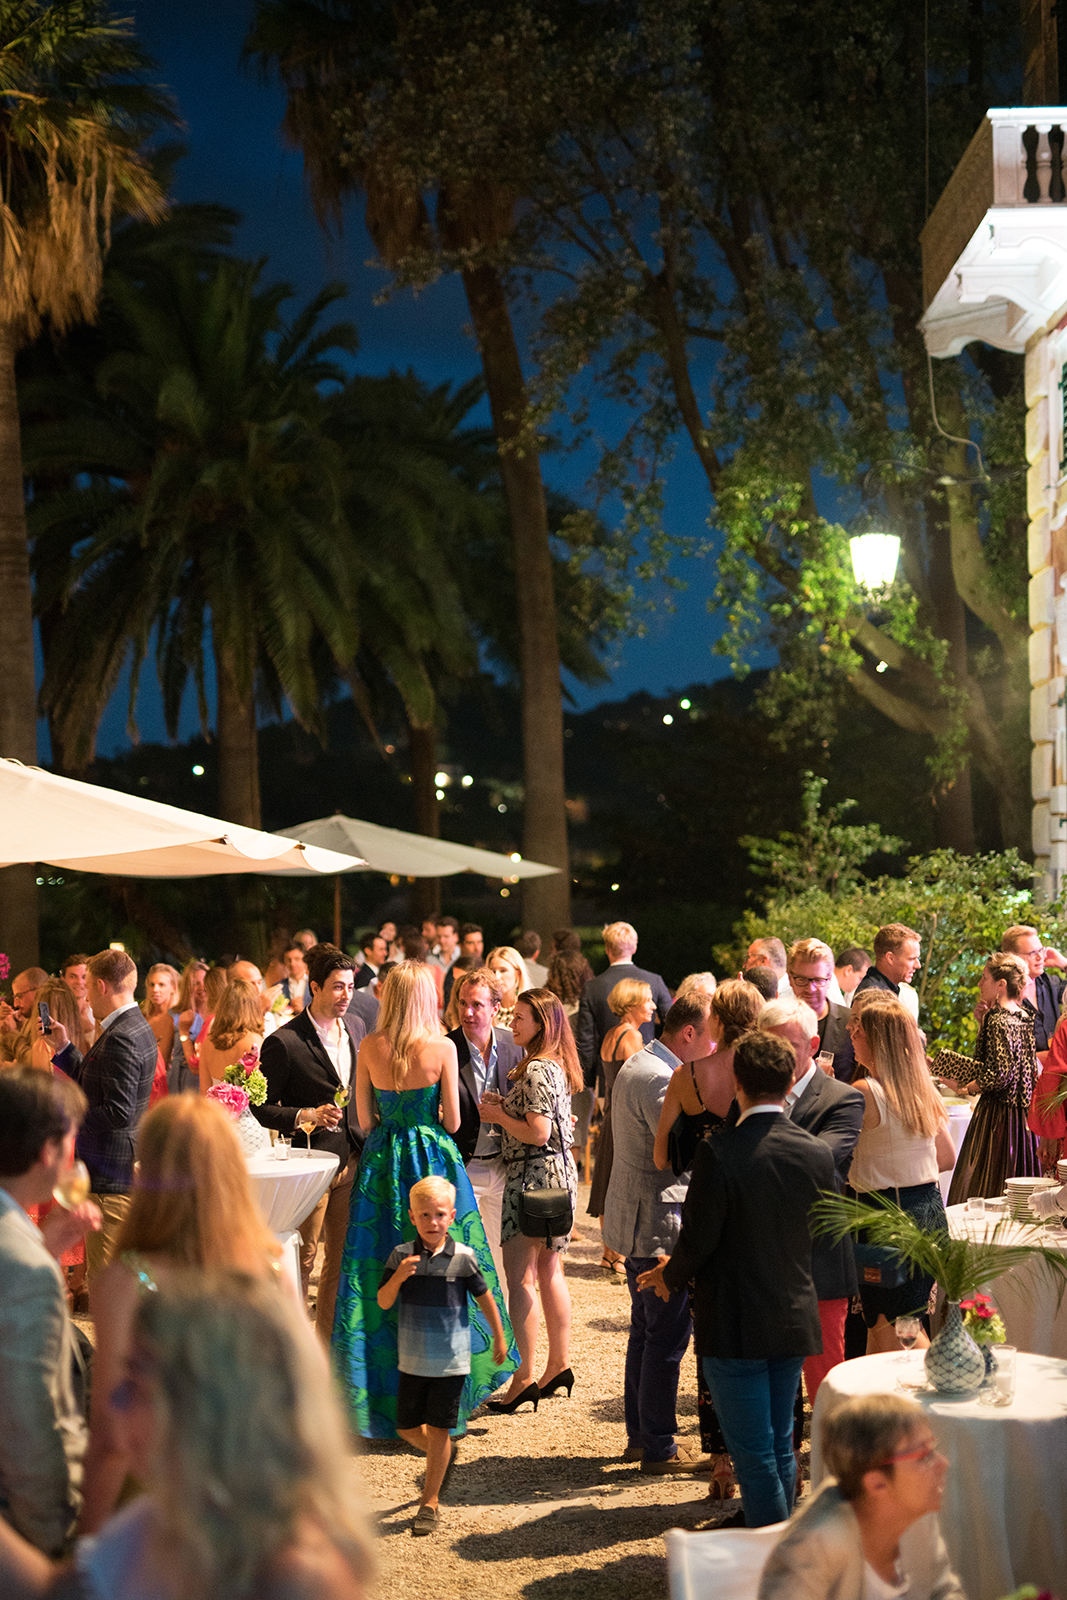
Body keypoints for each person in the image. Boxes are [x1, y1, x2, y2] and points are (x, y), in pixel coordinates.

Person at [0, 1274, 374, 1600]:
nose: (113, 1404)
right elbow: (52, 1592)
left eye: (135, 1382)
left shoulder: (298, 1580)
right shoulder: (166, 1518)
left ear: (205, 1405)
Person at [641, 1031, 835, 1527]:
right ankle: (778, 1541)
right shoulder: (816, 1152)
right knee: (780, 1443)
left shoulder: (720, 1151)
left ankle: (771, 1559)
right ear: (791, 1080)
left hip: (735, 1320)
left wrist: (672, 1274)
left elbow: (700, 1237)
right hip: (792, 1316)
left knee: (756, 1455)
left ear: (737, 1082)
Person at [79, 1095, 284, 1532]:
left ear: (147, 1170)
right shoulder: (271, 1265)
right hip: (249, 1486)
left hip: (158, 1494)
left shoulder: (127, 1279)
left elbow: (113, 1431)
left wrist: (88, 1544)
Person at [332, 962, 515, 1438]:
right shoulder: (441, 1047)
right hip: (432, 1158)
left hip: (382, 1165)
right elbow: (454, 1121)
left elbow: (365, 1120)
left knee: (378, 1265)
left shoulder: (369, 1046)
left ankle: (379, 1397)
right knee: (449, 1265)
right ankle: (446, 1390)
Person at [604, 992, 715, 1475]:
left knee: (646, 1332)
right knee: (665, 1337)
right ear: (688, 1034)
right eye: (711, 1036)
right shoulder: (659, 1076)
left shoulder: (644, 1060)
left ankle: (641, 1436)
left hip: (639, 1215)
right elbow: (672, 1153)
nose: (715, 1047)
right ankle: (659, 1446)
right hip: (656, 1223)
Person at [0, 1069, 99, 1557]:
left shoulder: (19, 1246)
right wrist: (53, 1548)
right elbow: (31, 1426)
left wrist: (46, 1245)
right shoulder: (26, 1271)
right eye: (70, 1141)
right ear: (48, 1152)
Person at [378, 1177, 508, 1537]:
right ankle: (443, 1455)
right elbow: (383, 1301)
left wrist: (498, 1336)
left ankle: (429, 1501)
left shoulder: (464, 1258)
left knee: (438, 1430)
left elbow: (485, 1298)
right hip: (413, 1361)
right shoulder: (401, 1256)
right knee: (406, 1428)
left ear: (451, 1216)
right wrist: (398, 1279)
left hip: (451, 1362)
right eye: (424, 1215)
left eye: (439, 1215)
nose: (432, 1222)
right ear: (412, 1217)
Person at [254, 945, 366, 1339]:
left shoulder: (355, 1030)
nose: (346, 995)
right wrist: (306, 1115)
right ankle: (293, 1346)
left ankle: (327, 1351)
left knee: (339, 1261)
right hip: (306, 1166)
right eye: (337, 987)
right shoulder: (284, 1042)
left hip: (351, 1161)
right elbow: (260, 1106)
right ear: (314, 987)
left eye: (350, 987)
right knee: (301, 1260)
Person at [478, 988, 582, 1414]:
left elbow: (537, 1132)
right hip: (559, 1175)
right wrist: (508, 1106)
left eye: (520, 1017)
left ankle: (523, 1379)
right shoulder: (555, 1063)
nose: (512, 1023)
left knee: (520, 1278)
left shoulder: (537, 1068)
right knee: (549, 1270)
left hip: (533, 1177)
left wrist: (500, 1116)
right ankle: (557, 1364)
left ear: (542, 1023)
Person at [757, 996, 864, 1402]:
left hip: (818, 1259)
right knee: (772, 1384)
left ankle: (830, 1465)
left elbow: (821, 1164)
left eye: (786, 1046)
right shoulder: (746, 1093)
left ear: (814, 1044)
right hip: (763, 1259)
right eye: (766, 1046)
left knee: (826, 1385)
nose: (775, 1057)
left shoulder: (842, 1098)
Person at [758, 1394, 962, 1600]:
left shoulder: (915, 1513)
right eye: (923, 1456)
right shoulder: (814, 1548)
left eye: (933, 1448)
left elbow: (943, 1591)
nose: (942, 1463)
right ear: (877, 1483)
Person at [848, 996, 955, 1353]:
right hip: (926, 1210)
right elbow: (946, 1157)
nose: (852, 1033)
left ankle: (943, 1389)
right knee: (884, 1323)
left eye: (860, 1028)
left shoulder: (865, 1092)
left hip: (886, 1216)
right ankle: (879, 1409)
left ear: (878, 1040)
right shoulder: (922, 1089)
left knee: (899, 1329)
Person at [44, 950, 158, 1281]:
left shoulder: (121, 1035)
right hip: (118, 1167)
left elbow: (118, 1111)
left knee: (108, 1282)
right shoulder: (132, 1025)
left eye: (89, 989)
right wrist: (65, 1049)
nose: (86, 997)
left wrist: (68, 1121)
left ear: (100, 985)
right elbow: (100, 1084)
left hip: (110, 1177)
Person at [935, 953, 1040, 1201]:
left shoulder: (998, 1018)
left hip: (997, 1116)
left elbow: (999, 1073)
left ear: (1001, 985)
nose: (980, 984)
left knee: (986, 1180)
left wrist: (967, 1087)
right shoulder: (1023, 1016)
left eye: (984, 978)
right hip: (1022, 1115)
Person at [447, 966, 522, 1292]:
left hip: (505, 1163)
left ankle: (500, 1329)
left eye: (477, 1005)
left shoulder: (514, 1045)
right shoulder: (446, 1047)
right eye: (463, 1003)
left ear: (495, 1007)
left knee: (503, 1256)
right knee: (463, 1254)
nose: (467, 1012)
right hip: (464, 1165)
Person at [653, 978, 762, 1178]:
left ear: (717, 1020)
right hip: (753, 1187)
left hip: (707, 1189)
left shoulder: (686, 1075)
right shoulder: (767, 1071)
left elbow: (662, 1159)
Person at [586, 978, 655, 1277]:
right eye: (648, 1000)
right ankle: (617, 1255)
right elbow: (637, 1084)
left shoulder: (610, 1035)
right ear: (632, 1004)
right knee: (622, 1183)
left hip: (610, 1114)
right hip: (626, 1117)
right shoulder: (632, 1038)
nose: (653, 1005)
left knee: (605, 1180)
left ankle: (608, 1253)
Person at [574, 922, 673, 1082]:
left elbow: (585, 1038)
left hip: (606, 1074)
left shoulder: (592, 987)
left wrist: (589, 1078)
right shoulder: (654, 981)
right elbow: (673, 1023)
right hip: (647, 1073)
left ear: (607, 949)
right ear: (634, 948)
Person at [997, 924, 1067, 1059]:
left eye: (1041, 950)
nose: (1041, 957)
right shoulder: (1003, 996)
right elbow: (1004, 1060)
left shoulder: (1048, 982)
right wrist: (1042, 1058)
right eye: (1033, 953)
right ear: (1012, 957)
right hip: (1025, 1077)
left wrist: (1064, 963)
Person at [787, 938, 853, 1080]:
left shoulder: (851, 1023)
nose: (810, 989)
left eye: (818, 980)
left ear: (829, 980)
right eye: (802, 980)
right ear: (790, 979)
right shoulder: (777, 1026)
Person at [197, 977, 265, 1094]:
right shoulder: (254, 1042)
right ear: (253, 1007)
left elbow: (204, 1090)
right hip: (244, 1110)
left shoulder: (209, 1041)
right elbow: (260, 1090)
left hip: (215, 1109)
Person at [169, 958, 209, 1093]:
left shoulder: (216, 1015)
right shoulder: (174, 1014)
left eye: (204, 982)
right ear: (187, 986)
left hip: (204, 1076)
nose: (202, 987)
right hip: (180, 1079)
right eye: (196, 983)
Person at [139, 963, 180, 1068]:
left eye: (161, 985)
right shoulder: (142, 1018)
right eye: (151, 984)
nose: (155, 989)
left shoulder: (176, 1019)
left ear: (173, 988)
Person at [486, 946, 532, 1029]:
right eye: (492, 971)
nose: (497, 976)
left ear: (518, 973)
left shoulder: (530, 1006)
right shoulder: (486, 1006)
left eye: (503, 970)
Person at [280, 942, 310, 1012]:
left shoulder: (315, 985)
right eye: (289, 960)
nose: (292, 963)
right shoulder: (278, 987)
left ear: (305, 960)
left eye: (297, 959)